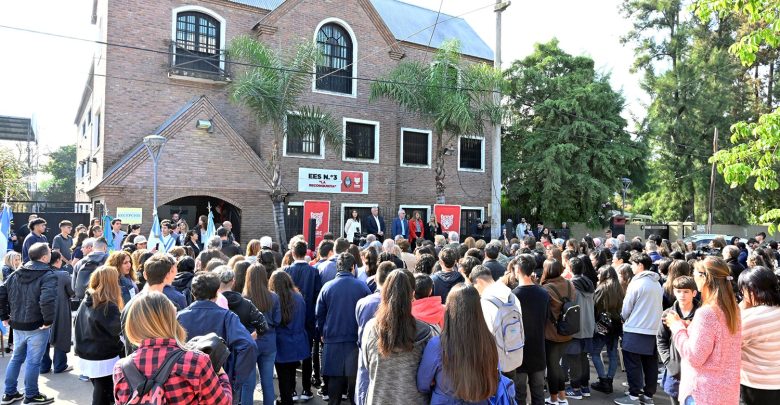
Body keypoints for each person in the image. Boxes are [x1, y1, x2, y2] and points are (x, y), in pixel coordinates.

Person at [113, 292, 233, 404]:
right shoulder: (196, 361)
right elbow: (223, 402)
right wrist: (221, 374)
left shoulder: (121, 368)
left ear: (132, 324)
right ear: (171, 320)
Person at [664, 256, 741, 405]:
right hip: (726, 390)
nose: (693, 277)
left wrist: (677, 327)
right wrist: (688, 327)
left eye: (694, 273)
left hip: (703, 392)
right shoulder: (732, 309)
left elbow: (694, 356)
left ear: (704, 277)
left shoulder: (707, 313)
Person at [177, 272, 256, 402]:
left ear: (193, 293)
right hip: (219, 381)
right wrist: (235, 379)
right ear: (217, 292)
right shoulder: (227, 316)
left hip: (187, 381)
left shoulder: (180, 317)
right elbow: (249, 345)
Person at [360, 270, 437, 404]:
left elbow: (367, 365)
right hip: (413, 399)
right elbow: (427, 375)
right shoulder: (425, 332)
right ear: (412, 294)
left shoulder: (371, 328)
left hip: (378, 398)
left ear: (384, 293)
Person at [417, 284, 499, 404]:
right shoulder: (489, 341)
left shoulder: (438, 344)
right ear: (478, 310)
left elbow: (422, 384)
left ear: (449, 309)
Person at [0, 242, 57, 405]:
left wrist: (4, 316)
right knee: (32, 361)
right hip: (37, 325)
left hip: (18, 323)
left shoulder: (16, 273)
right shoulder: (47, 274)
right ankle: (31, 395)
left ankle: (9, 393)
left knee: (16, 358)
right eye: (50, 252)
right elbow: (47, 300)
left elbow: (1, 292)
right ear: (45, 257)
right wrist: (48, 321)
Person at [316, 253, 372, 404]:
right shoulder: (362, 286)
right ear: (353, 267)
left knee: (334, 382)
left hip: (333, 340)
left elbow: (319, 314)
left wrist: (322, 333)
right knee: (355, 383)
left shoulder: (327, 287)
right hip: (355, 341)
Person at [614, 252, 664, 405]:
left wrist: (621, 318)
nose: (632, 267)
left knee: (633, 364)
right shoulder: (656, 283)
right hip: (653, 329)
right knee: (650, 364)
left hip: (635, 329)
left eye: (634, 264)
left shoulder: (636, 283)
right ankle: (648, 396)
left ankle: (634, 395)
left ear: (640, 265)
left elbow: (627, 307)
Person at [74, 266, 124, 405]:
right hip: (104, 357)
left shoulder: (88, 299)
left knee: (100, 390)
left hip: (87, 353)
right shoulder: (107, 305)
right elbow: (119, 332)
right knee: (103, 395)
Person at [217, 266, 266, 405]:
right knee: (245, 387)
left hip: (219, 354)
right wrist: (248, 338)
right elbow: (263, 326)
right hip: (242, 351)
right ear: (233, 281)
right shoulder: (246, 303)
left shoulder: (212, 303)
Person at [284, 240, 323, 393]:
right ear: (306, 252)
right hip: (308, 317)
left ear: (293, 253)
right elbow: (317, 295)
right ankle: (307, 388)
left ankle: (292, 388)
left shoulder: (286, 271)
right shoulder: (313, 272)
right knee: (307, 353)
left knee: (291, 353)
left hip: (290, 317)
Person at [737, 266, 780, 404]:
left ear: (750, 290)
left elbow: (730, 342)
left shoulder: (749, 318)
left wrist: (742, 307)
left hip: (757, 385)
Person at [267, 270, 310, 405]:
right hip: (298, 341)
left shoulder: (274, 299)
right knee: (291, 371)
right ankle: (291, 394)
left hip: (281, 343)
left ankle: (287, 399)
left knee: (283, 376)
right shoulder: (298, 297)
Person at [512, 254, 549, 405]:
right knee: (538, 393)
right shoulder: (543, 293)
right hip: (539, 348)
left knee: (520, 394)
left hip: (519, 350)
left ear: (518, 269)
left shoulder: (512, 296)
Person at [656, 276, 699, 405]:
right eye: (679, 291)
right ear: (674, 292)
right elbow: (661, 339)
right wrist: (669, 361)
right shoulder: (668, 314)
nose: (682, 295)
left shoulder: (701, 314)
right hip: (675, 371)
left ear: (694, 293)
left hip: (696, 373)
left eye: (686, 291)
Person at [244, 263, 281, 405]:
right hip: (269, 342)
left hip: (250, 342)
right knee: (268, 383)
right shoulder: (274, 297)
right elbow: (277, 321)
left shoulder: (244, 298)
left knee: (248, 385)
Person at [541, 259, 576, 405]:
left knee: (552, 366)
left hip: (552, 333)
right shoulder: (569, 284)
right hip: (567, 331)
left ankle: (554, 397)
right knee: (557, 365)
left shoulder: (546, 288)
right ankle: (562, 396)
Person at [589, 266, 625, 395]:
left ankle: (603, 380)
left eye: (599, 273)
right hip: (616, 325)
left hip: (602, 325)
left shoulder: (602, 288)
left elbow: (594, 306)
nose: (598, 276)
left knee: (594, 353)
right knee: (612, 354)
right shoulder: (619, 288)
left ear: (604, 274)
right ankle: (609, 380)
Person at [564, 256, 596, 400]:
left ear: (570, 268)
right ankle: (584, 387)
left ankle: (575, 388)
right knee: (584, 358)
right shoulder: (590, 283)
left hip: (575, 326)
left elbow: (568, 306)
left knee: (574, 359)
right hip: (589, 325)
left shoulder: (571, 285)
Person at [40, 251, 74, 375]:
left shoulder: (40, 274)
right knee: (61, 334)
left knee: (43, 338)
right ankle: (60, 365)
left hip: (42, 310)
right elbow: (72, 291)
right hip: (60, 309)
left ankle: (44, 366)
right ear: (58, 260)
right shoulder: (63, 274)